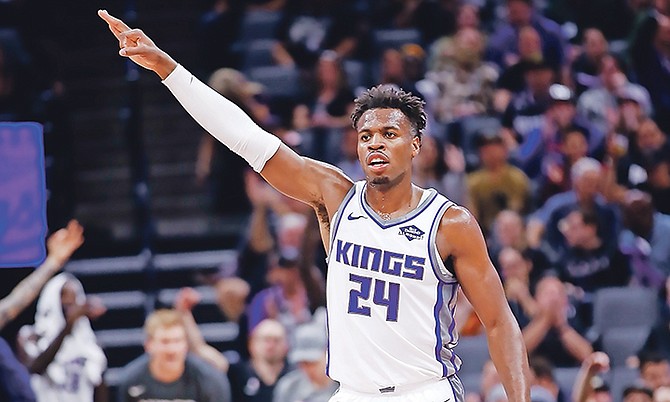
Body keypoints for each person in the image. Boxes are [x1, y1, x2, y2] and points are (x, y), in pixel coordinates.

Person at [98, 10, 531, 401]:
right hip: (352, 393)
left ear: (415, 144)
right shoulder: (335, 194)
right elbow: (246, 137)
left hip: (424, 392)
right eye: (366, 136)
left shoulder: (450, 223)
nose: (376, 142)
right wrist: (167, 69)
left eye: (390, 134)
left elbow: (499, 323)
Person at [18, 273, 108, 402]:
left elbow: (100, 384)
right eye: (65, 306)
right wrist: (68, 326)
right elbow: (36, 367)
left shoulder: (90, 343)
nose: (70, 310)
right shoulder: (31, 336)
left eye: (73, 304)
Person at [115, 309, 232, 402]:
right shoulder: (131, 379)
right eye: (165, 341)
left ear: (186, 344)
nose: (172, 349)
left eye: (177, 341)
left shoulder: (209, 379)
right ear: (148, 345)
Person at [272, 322, 338, 402]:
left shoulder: (342, 387)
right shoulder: (289, 386)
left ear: (327, 354)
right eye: (303, 363)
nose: (308, 369)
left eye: (312, 363)